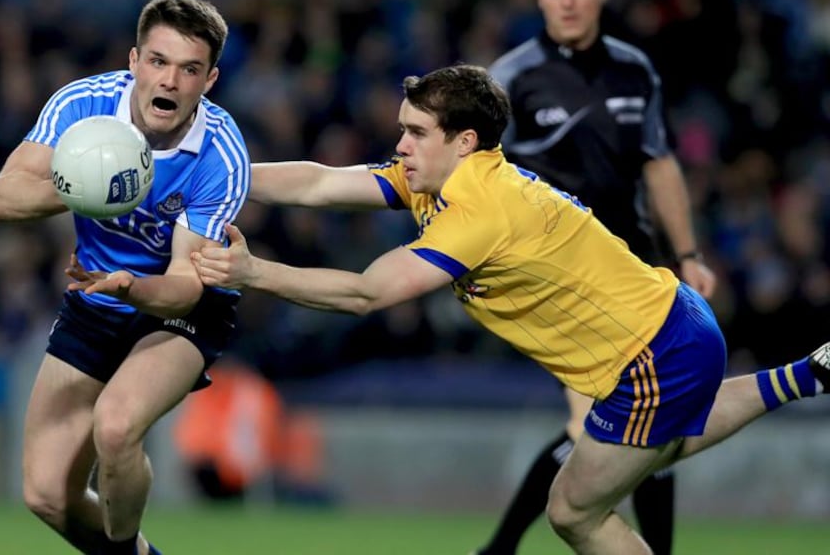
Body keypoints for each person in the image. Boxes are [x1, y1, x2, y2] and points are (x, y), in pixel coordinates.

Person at [177, 63, 828, 555]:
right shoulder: (440, 178)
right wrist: (222, 174)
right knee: (660, 445)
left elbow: (367, 292)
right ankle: (808, 375)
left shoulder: (481, 213)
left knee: (574, 510)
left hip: (651, 354)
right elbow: (319, 181)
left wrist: (254, 270)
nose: (399, 144)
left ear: (464, 141)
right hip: (672, 325)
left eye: (414, 133)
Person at [0, 0, 249, 555]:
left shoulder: (221, 155)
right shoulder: (83, 105)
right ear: (133, 61)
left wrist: (133, 286)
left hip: (180, 311)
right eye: (157, 61)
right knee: (47, 495)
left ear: (211, 80)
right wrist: (83, 181)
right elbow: (1, 199)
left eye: (189, 69)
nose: (170, 81)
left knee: (116, 425)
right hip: (94, 298)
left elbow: (184, 287)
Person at [479, 0, 716, 552]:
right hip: (555, 281)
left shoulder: (635, 70)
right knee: (607, 425)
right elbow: (476, 179)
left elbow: (658, 165)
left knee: (656, 417)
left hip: (633, 272)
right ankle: (499, 549)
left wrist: (687, 255)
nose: (567, 0)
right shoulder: (508, 80)